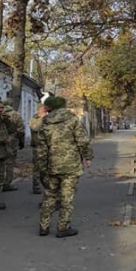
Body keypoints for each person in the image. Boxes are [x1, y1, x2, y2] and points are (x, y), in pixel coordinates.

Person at [38, 96, 93, 238]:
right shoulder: (72, 120)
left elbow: (41, 148)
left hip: (52, 165)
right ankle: (63, 227)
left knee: (49, 196)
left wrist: (42, 166)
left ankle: (43, 226)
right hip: (71, 166)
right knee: (67, 197)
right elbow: (83, 140)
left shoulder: (45, 122)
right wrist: (87, 157)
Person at [1, 100, 26, 191]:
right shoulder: (16, 114)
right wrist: (21, 142)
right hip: (12, 140)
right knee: (9, 162)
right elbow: (20, 130)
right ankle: (7, 183)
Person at [28, 103, 48, 195]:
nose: (44, 110)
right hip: (38, 146)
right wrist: (41, 118)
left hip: (48, 146)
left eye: (45, 108)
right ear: (39, 109)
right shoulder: (34, 118)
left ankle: (48, 187)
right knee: (37, 168)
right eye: (43, 108)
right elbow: (35, 128)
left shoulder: (50, 118)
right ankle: (36, 186)